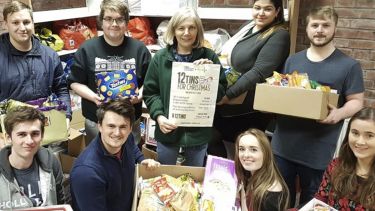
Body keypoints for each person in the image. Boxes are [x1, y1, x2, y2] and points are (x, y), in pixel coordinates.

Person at [271, 6, 365, 207]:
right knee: (280, 201)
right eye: (315, 25)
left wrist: (338, 113)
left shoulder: (349, 65)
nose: (320, 30)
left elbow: (357, 101)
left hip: (318, 152)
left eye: (325, 25)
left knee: (313, 203)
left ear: (335, 28)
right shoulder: (293, 60)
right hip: (283, 147)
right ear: (307, 28)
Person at [142, 7, 227, 167]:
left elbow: (220, 93)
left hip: (198, 133)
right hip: (168, 130)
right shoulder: (160, 58)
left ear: (198, 30)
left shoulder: (209, 57)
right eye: (181, 28)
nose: (186, 32)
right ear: (173, 30)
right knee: (165, 175)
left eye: (191, 27)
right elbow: (151, 93)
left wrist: (209, 75)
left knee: (194, 177)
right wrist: (159, 117)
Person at [212, 0, 290, 158]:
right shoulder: (249, 27)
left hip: (247, 108)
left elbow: (259, 72)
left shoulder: (279, 34)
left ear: (277, 11)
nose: (261, 13)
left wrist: (227, 95)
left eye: (267, 9)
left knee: (244, 156)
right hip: (229, 102)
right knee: (223, 150)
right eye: (257, 8)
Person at [68, 0, 151, 144]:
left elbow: (151, 80)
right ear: (101, 21)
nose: (114, 24)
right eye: (108, 19)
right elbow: (74, 82)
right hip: (96, 121)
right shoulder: (87, 49)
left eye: (119, 19)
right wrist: (94, 97)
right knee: (98, 163)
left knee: (129, 161)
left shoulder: (139, 49)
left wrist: (139, 96)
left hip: (129, 121)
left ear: (126, 22)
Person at [0, 1, 71, 148]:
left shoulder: (49, 56)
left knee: (46, 168)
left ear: (33, 23)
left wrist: (67, 116)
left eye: (26, 22)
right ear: (6, 24)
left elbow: (61, 89)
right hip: (9, 136)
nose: (22, 28)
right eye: (15, 22)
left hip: (44, 131)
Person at [70, 98, 160, 211]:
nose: (117, 133)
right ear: (100, 126)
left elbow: (133, 149)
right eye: (111, 126)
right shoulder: (87, 173)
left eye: (123, 127)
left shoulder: (127, 138)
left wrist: (142, 159)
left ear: (130, 128)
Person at [0, 106, 66, 209]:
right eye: (22, 134)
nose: (29, 141)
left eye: (35, 134)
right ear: (8, 138)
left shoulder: (50, 162)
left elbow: (61, 202)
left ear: (42, 136)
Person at [314, 107, 375, 210]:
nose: (360, 142)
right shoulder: (336, 165)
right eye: (355, 133)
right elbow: (321, 199)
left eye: (369, 135)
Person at [234, 128, 289, 211]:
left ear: (265, 153)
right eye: (242, 149)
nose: (245, 155)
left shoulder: (270, 195)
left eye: (253, 150)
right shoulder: (248, 173)